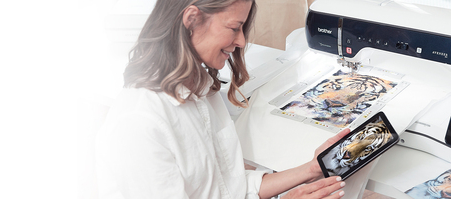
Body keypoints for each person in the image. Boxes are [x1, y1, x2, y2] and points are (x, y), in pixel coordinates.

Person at [95, 0, 350, 198]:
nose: (240, 41)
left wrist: (312, 168)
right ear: (192, 19)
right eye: (234, 28)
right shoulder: (140, 122)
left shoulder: (202, 89)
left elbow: (233, 189)